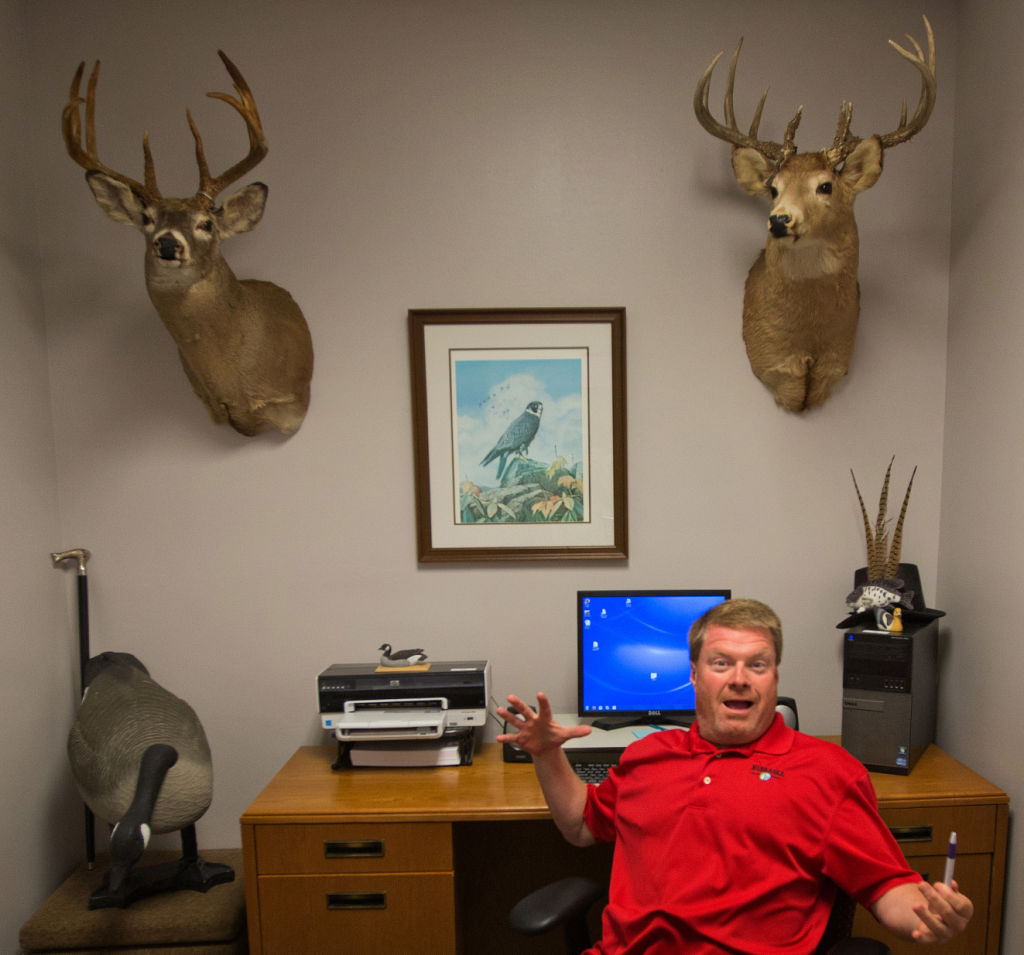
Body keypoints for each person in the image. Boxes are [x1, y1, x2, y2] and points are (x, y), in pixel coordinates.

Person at [497, 598, 973, 954]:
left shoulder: (826, 772)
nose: (739, 678)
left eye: (757, 665)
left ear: (775, 679)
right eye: (721, 663)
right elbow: (582, 826)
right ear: (695, 675)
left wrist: (929, 916)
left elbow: (886, 885)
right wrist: (546, 755)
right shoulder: (647, 756)